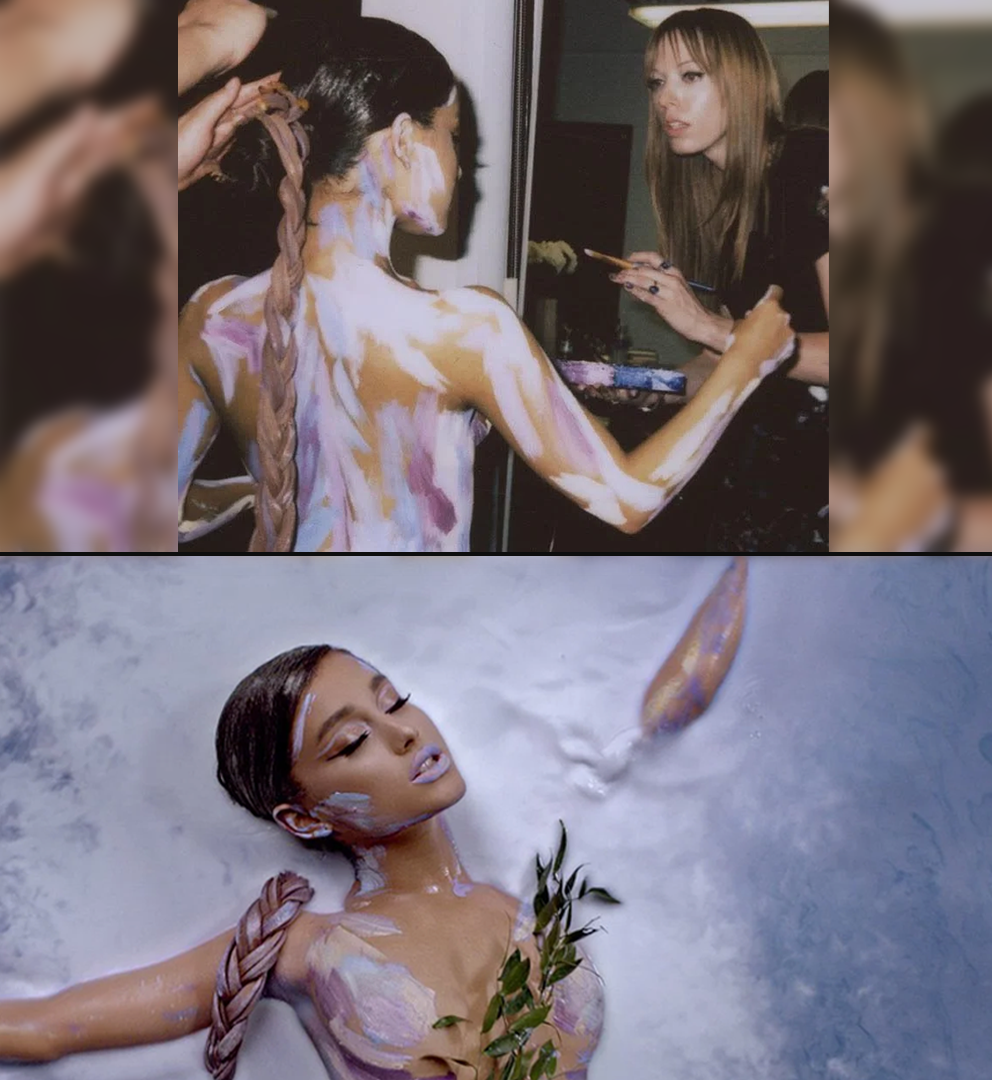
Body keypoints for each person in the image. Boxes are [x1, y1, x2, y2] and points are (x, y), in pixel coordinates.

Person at [178, 12, 796, 552]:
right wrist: (745, 359)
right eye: (452, 136)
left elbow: (153, 514)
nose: (460, 166)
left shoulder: (212, 315)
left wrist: (279, 485)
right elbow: (629, 499)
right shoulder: (465, 329)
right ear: (401, 141)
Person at [0, 646, 605, 1077]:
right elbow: (51, 1027)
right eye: (351, 742)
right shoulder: (304, 949)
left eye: (395, 703)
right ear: (304, 818)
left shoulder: (535, 915)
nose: (404, 735)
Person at [610, 8, 829, 551]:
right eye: (657, 82)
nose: (666, 98)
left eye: (691, 76)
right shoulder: (725, 198)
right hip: (767, 477)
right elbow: (724, 359)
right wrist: (641, 388)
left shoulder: (811, 163)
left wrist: (708, 326)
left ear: (741, 79)